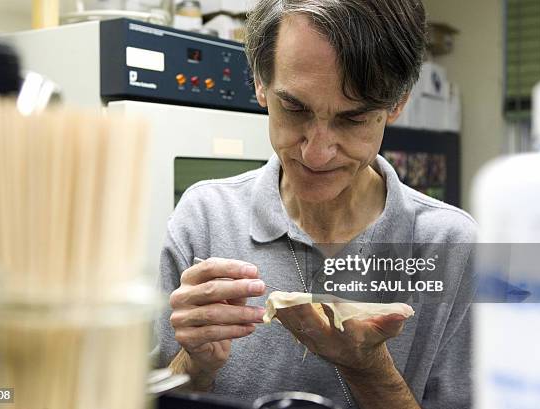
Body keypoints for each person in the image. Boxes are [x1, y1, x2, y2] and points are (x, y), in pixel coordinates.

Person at [157, 0, 475, 408]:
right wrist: (195, 363)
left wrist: (368, 369)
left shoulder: (453, 247)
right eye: (294, 108)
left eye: (353, 119)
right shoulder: (204, 219)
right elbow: (158, 392)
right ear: (260, 81)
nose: (316, 153)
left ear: (396, 103)